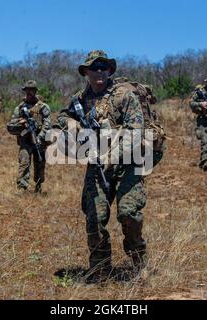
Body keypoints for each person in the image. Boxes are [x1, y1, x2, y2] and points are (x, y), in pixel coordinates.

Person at [57, 50, 147, 283]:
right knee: (94, 217)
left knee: (128, 213)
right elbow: (60, 117)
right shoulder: (80, 99)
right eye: (94, 68)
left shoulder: (124, 95)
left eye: (103, 68)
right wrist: (71, 123)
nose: (99, 72)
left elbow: (136, 130)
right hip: (97, 164)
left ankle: (138, 261)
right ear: (85, 72)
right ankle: (100, 270)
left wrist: (113, 155)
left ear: (109, 71)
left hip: (128, 163)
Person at [7, 80, 51, 193]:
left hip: (39, 140)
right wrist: (22, 122)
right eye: (27, 90)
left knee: (39, 163)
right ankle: (22, 187)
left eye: (31, 90)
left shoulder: (43, 107)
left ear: (35, 91)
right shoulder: (20, 107)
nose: (29, 92)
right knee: (24, 162)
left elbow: (47, 123)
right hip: (25, 140)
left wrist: (40, 136)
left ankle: (38, 186)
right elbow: (12, 123)